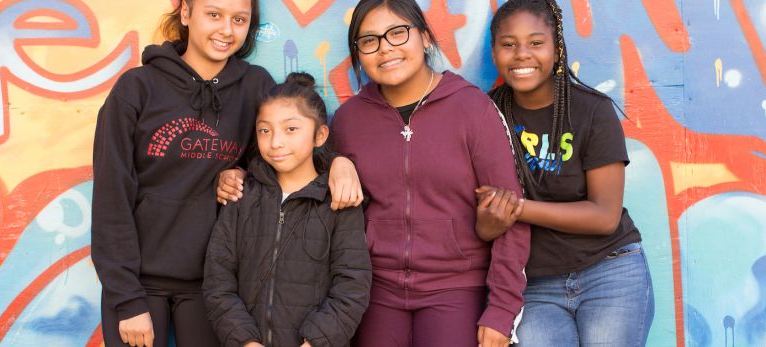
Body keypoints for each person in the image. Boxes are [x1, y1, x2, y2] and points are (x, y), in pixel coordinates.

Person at [91, 0, 359, 345]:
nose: (227, 30)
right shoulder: (136, 88)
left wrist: (338, 162)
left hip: (214, 284)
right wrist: (125, 297)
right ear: (186, 13)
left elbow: (287, 147)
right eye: (213, 15)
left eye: (239, 19)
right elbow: (112, 195)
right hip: (139, 282)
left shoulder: (254, 87)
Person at [330, 1, 531, 346]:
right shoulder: (349, 121)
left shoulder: (472, 108)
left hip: (456, 287)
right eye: (369, 40)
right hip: (376, 290)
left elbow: (511, 213)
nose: (385, 49)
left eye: (398, 33)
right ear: (359, 53)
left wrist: (501, 310)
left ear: (424, 37)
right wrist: (334, 161)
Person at [479, 0, 655, 346]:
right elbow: (484, 223)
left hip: (610, 272)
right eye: (508, 44)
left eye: (535, 42)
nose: (521, 55)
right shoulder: (485, 116)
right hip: (534, 285)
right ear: (495, 51)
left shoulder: (593, 111)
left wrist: (517, 208)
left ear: (556, 49)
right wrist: (490, 221)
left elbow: (604, 216)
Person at [203, 72, 372, 347]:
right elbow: (217, 279)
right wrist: (245, 341)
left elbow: (352, 286)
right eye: (264, 130)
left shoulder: (339, 202)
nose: (275, 142)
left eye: (291, 129)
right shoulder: (241, 195)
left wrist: (315, 341)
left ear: (320, 135)